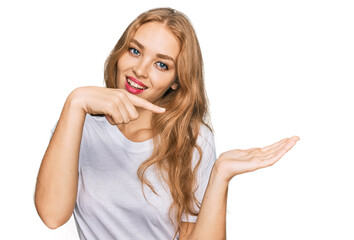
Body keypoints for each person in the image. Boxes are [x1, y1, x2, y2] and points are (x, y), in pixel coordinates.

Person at [34, 7, 300, 240]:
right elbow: (52, 215)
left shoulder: (193, 139)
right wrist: (75, 101)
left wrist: (220, 174)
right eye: (135, 50)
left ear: (176, 80)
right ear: (119, 53)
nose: (140, 70)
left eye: (161, 64)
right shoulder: (79, 126)